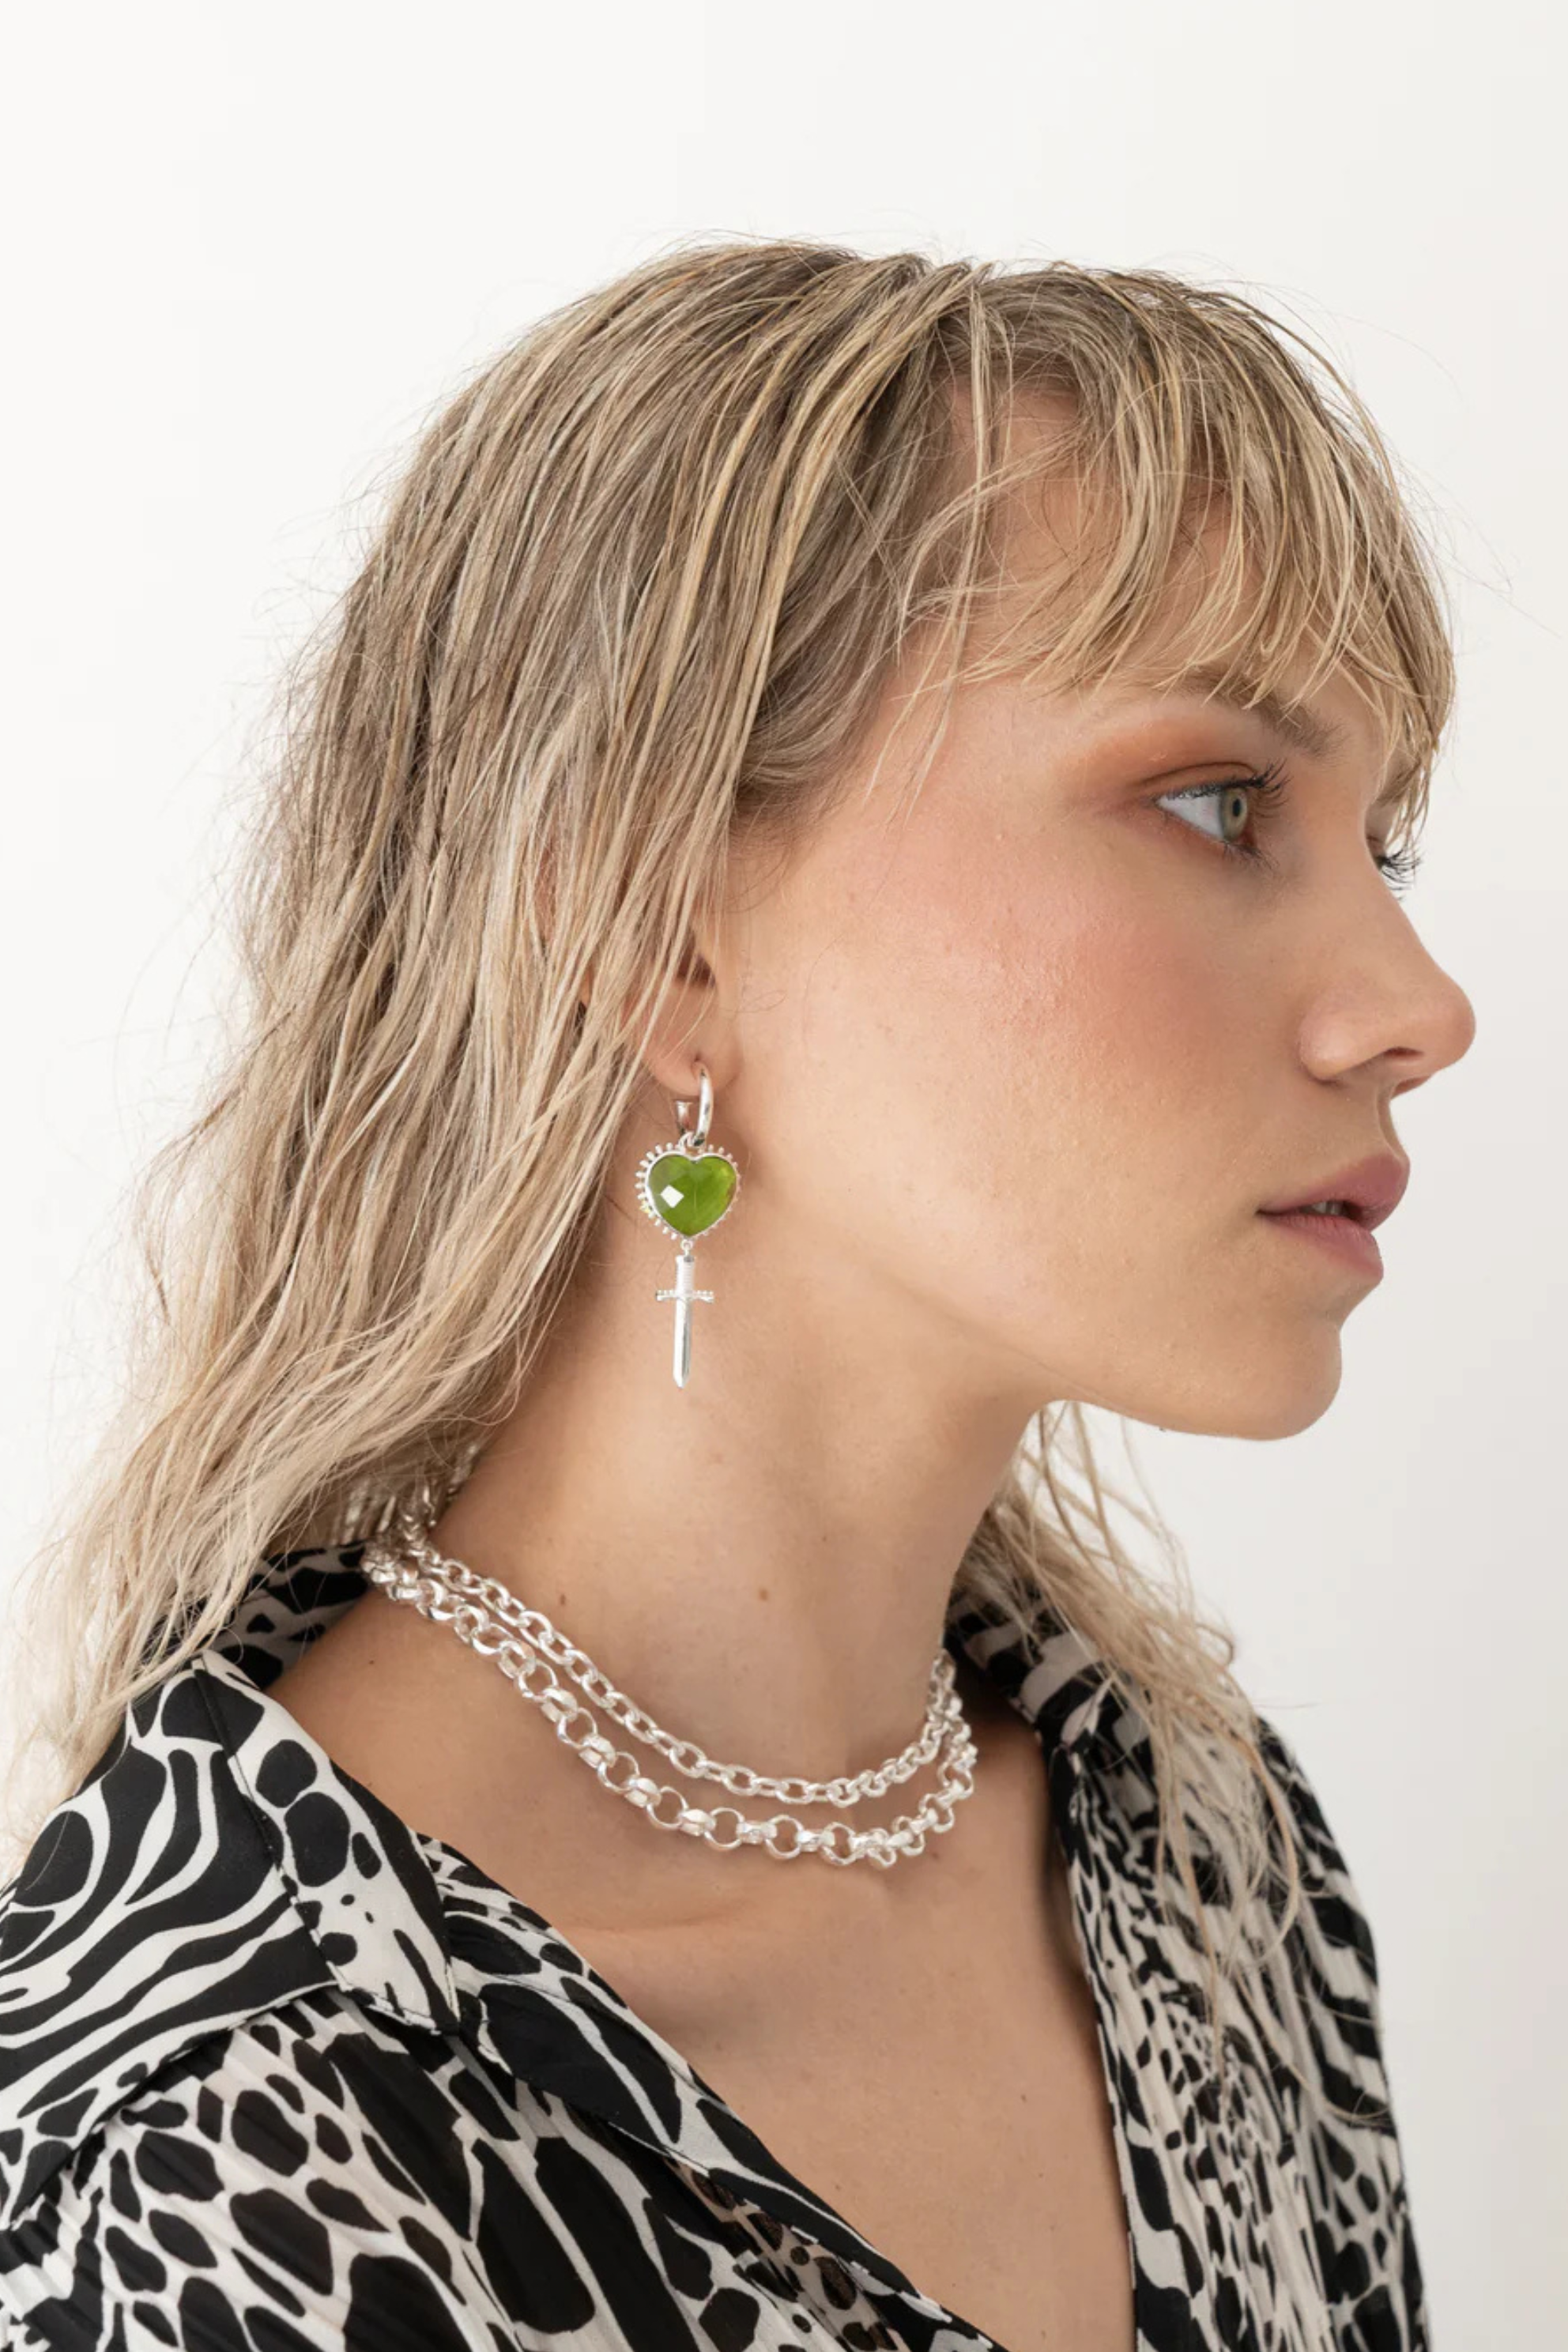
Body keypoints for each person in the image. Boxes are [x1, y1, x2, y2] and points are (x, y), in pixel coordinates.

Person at [0, 239, 1474, 2352]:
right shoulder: (221, 2133)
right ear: (658, 931)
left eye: (1380, 843)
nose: (1419, 1007)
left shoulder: (1202, 1855)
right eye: (1218, 803)